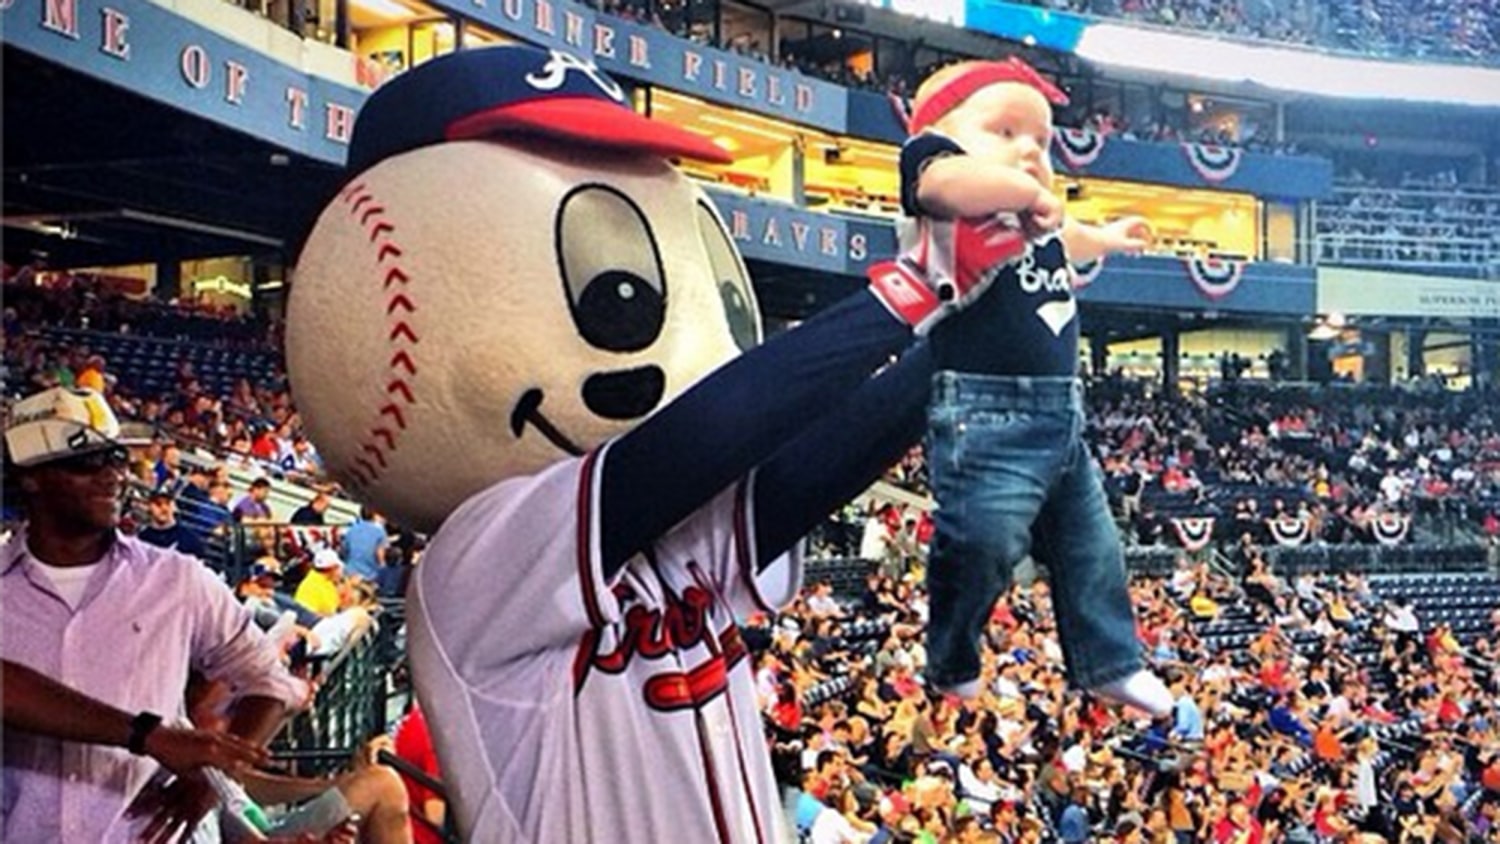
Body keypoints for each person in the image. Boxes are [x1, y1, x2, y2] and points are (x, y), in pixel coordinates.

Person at [875, 57, 1169, 713]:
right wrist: (1023, 192)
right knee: (983, 544)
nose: (1029, 149)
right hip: (985, 412)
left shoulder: (1039, 223)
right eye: (1005, 130)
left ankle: (1109, 660)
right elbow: (946, 182)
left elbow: (1072, 235)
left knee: (1093, 551)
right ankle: (951, 657)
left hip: (1063, 416)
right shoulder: (942, 189)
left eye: (1040, 139)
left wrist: (1112, 239)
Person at [1, 386, 307, 842]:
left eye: (117, 459)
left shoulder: (177, 579)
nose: (112, 476)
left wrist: (217, 773)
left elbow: (270, 681)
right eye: (87, 460)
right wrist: (150, 735)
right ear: (31, 476)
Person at [137, 489, 208, 558]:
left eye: (168, 503)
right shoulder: (142, 539)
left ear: (174, 506)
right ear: (149, 507)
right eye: (158, 504)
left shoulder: (190, 540)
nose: (164, 508)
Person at [340, 507, 388, 583]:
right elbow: (379, 554)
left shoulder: (352, 529)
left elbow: (344, 549)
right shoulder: (380, 532)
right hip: (369, 574)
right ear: (374, 515)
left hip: (350, 571)